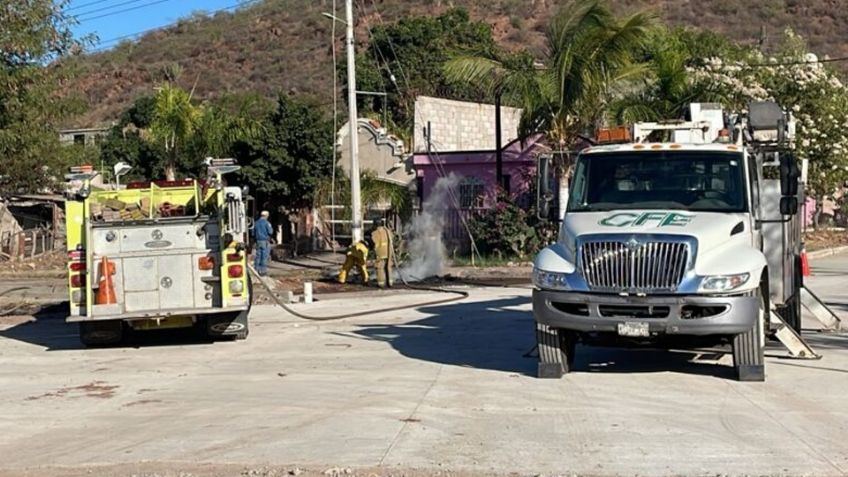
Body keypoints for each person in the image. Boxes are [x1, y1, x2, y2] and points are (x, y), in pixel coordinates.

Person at [370, 218, 394, 288]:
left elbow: (375, 243)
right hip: (389, 252)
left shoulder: (375, 233)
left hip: (380, 252)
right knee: (388, 266)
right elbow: (392, 238)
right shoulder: (387, 231)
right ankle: (390, 282)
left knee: (380, 267)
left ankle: (381, 283)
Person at [253, 210, 273, 276]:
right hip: (265, 241)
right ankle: (263, 271)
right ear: (266, 216)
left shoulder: (256, 223)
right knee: (264, 255)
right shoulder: (267, 223)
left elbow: (253, 233)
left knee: (258, 255)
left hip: (258, 241)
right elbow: (270, 232)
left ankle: (256, 269)